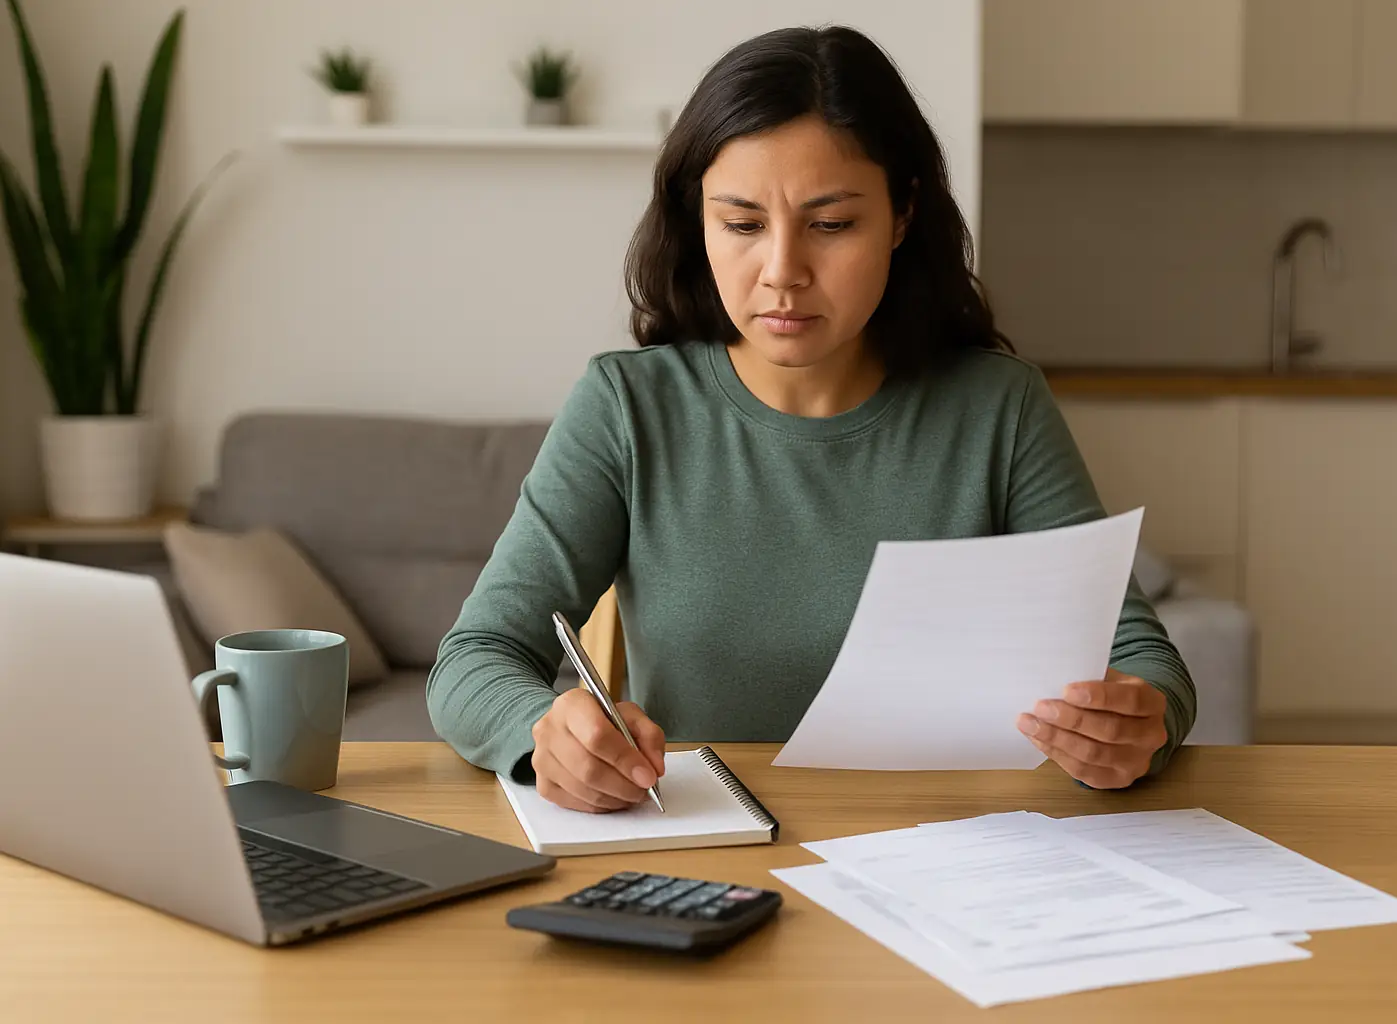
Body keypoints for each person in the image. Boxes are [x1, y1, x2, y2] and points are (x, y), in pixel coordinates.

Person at [428, 25, 1195, 812]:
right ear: (698, 220)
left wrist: (1140, 723)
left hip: (956, 863)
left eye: (831, 225)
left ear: (901, 216)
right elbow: (474, 659)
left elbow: (1140, 657)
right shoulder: (628, 408)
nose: (783, 272)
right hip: (715, 856)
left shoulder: (999, 409)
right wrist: (540, 732)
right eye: (742, 223)